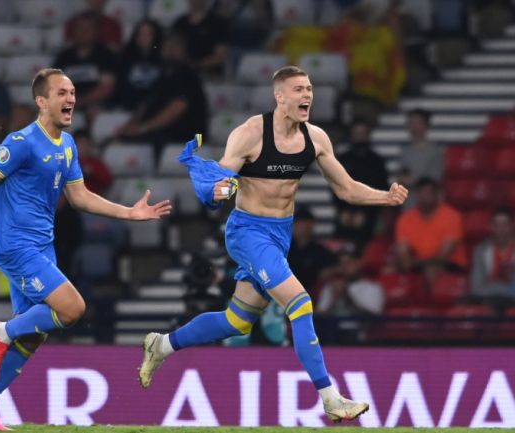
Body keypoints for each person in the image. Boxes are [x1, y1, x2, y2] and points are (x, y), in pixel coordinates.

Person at [138, 66, 408, 423]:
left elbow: (345, 188)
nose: (307, 95)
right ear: (279, 97)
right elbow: (218, 177)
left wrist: (384, 198)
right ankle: (330, 398)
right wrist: (216, 190)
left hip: (280, 235)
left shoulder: (316, 138)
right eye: (299, 89)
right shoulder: (250, 133)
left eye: (310, 88)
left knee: (237, 321)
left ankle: (163, 344)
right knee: (300, 303)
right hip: (248, 232)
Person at [0, 68, 171, 430]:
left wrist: (130, 214)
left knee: (35, 334)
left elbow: (80, 196)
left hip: (42, 247)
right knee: (73, 309)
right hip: (16, 245)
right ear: (41, 101)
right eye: (61, 93)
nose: (71, 99)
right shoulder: (21, 141)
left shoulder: (68, 145)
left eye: (72, 92)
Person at [470, 207, 515, 300]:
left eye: (505, 224)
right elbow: (476, 287)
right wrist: (502, 290)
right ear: (491, 227)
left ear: (512, 226)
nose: (501, 229)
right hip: (487, 298)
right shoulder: (481, 250)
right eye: (497, 225)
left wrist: (498, 290)